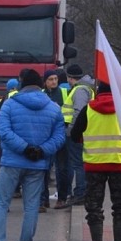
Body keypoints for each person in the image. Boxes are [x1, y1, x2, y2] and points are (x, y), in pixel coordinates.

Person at [0, 69, 64, 241]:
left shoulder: (9, 105)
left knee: (1, 202)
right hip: (38, 164)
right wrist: (41, 150)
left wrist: (24, 148)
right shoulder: (54, 108)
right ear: (40, 84)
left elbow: (4, 132)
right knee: (31, 205)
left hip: (12, 162)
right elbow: (59, 137)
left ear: (21, 83)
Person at [67, 82, 121, 241]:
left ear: (98, 91)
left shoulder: (88, 109)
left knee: (94, 205)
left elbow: (74, 135)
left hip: (94, 164)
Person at [63, 64, 96, 206]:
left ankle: (80, 193)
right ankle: (82, 192)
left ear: (70, 77)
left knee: (78, 164)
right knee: (80, 163)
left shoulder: (80, 90)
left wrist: (71, 131)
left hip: (76, 133)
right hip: (82, 131)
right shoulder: (85, 88)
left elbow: (79, 112)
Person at [43, 69, 72, 210]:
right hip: (46, 136)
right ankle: (44, 200)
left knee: (62, 168)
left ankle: (61, 198)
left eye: (55, 79)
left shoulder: (65, 92)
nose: (54, 82)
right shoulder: (41, 95)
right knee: (44, 168)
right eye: (50, 79)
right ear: (45, 82)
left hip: (61, 135)